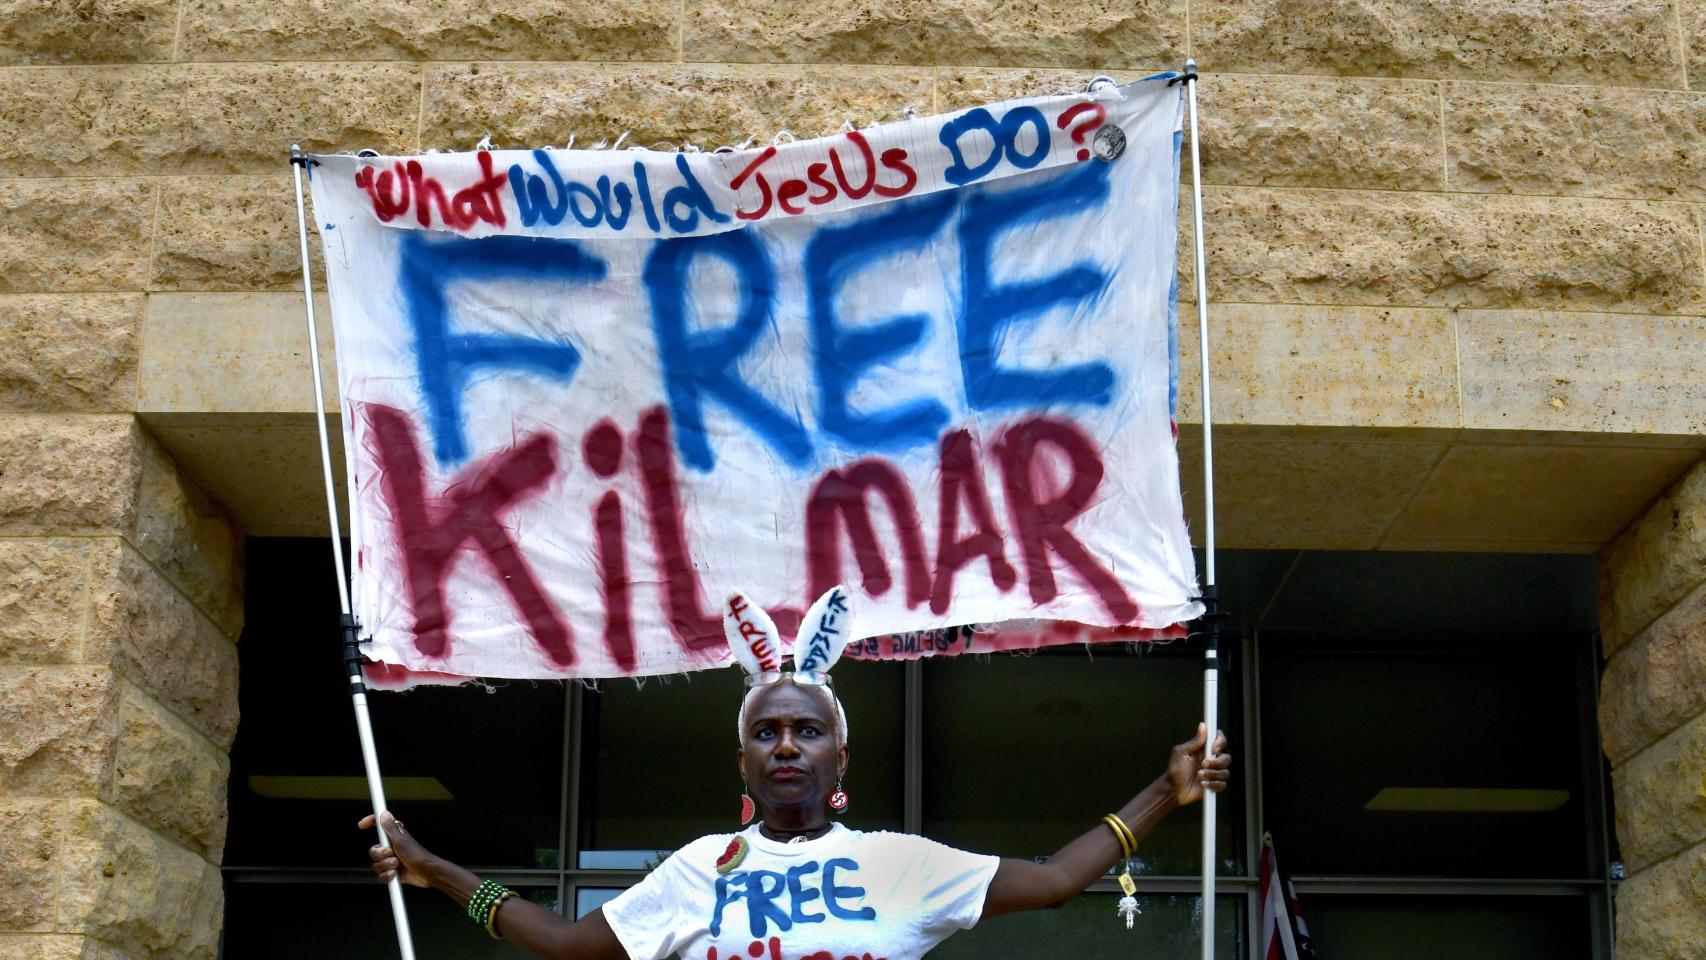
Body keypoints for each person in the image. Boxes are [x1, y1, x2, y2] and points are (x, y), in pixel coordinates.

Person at [361, 587, 1232, 959]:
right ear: (741, 759)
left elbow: (1049, 882)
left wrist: (1166, 792)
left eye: (806, 731)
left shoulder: (896, 863)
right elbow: (557, 940)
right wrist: (431, 869)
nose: (786, 745)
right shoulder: (702, 868)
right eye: (767, 732)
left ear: (838, 755)